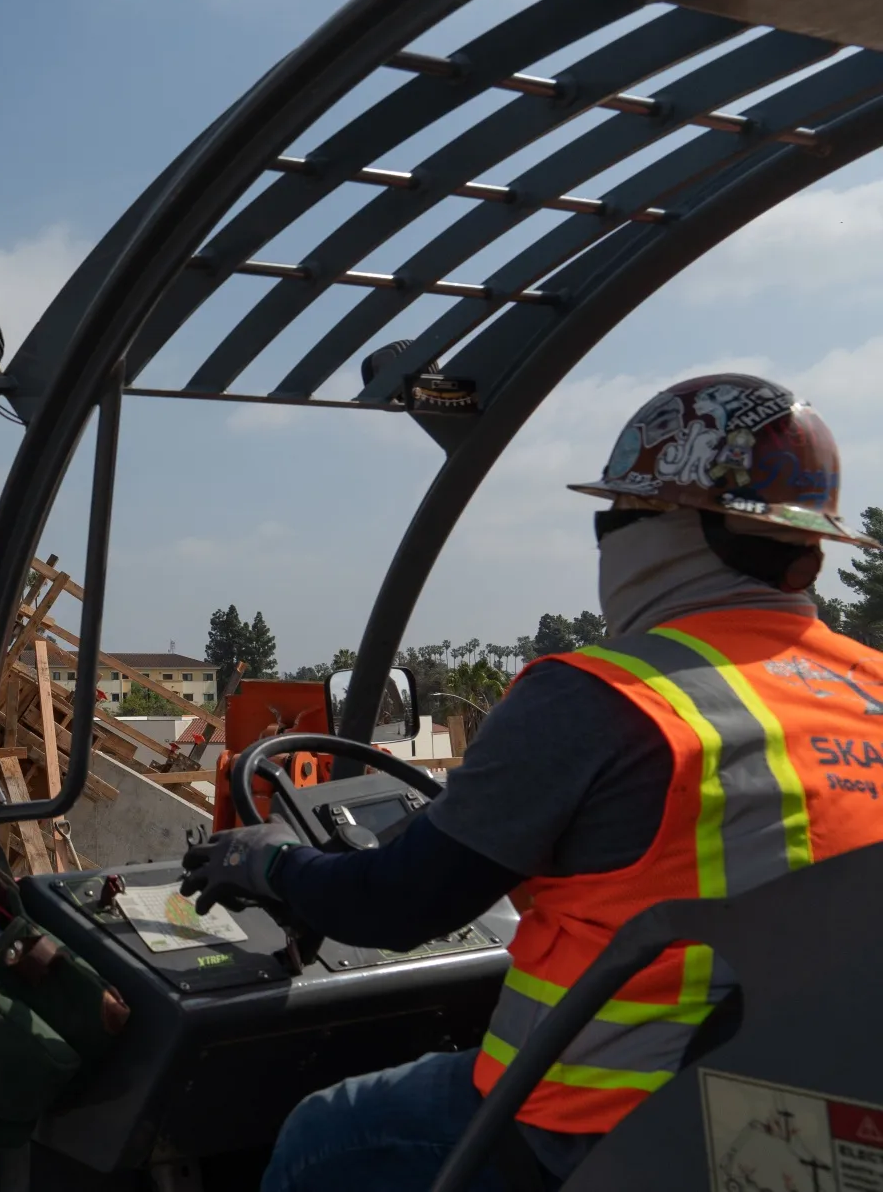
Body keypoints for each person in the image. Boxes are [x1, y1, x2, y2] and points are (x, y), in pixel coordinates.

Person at [180, 374, 883, 1190]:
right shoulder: (869, 687)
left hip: (614, 1129)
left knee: (324, 1136)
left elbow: (398, 905)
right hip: (816, 1125)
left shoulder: (603, 696)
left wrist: (268, 860)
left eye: (611, 518)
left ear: (666, 532)